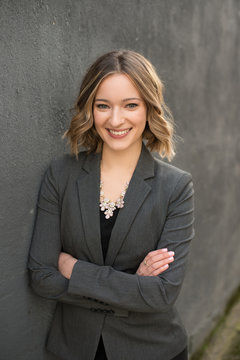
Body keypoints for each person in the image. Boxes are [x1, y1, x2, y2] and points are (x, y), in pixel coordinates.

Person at [28, 49, 194, 360]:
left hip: (153, 349)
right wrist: (132, 287)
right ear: (90, 109)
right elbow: (42, 277)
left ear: (149, 108)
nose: (115, 120)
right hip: (74, 349)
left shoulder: (176, 187)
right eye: (103, 106)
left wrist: (74, 270)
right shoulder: (61, 175)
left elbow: (162, 293)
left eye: (130, 105)